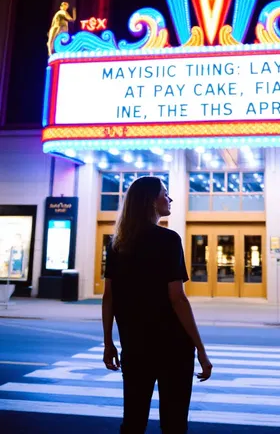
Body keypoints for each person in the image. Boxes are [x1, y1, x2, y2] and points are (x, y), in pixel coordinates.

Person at [102, 175, 212, 433]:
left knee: (133, 419)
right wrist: (201, 349)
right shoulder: (168, 240)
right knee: (174, 423)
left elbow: (109, 297)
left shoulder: (117, 244)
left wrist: (109, 342)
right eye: (165, 193)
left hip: (134, 345)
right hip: (172, 347)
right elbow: (177, 298)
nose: (169, 198)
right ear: (152, 202)